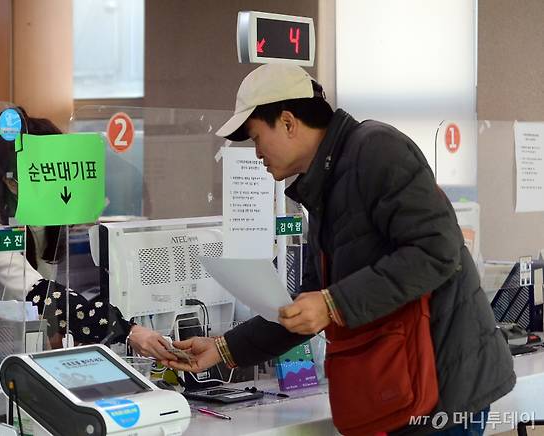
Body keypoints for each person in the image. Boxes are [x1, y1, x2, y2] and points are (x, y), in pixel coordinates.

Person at [164, 64, 515, 434]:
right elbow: (306, 308)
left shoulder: (377, 150)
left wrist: (333, 303)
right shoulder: (324, 189)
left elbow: (436, 250)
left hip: (443, 386)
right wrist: (223, 349)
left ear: (287, 122)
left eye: (255, 138)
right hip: (401, 381)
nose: (257, 154)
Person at [0, 106, 175, 360]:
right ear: (12, 183)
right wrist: (126, 330)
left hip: (37, 344)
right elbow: (39, 292)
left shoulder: (48, 217)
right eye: (45, 175)